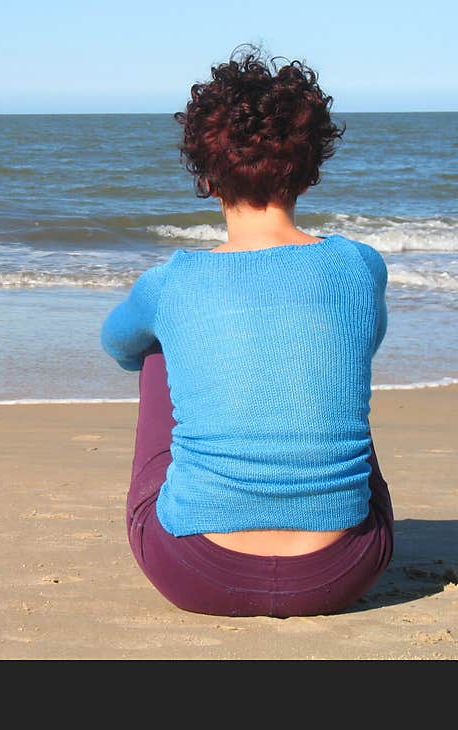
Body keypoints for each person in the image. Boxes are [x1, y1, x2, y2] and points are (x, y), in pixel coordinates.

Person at [100, 44, 394, 618]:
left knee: (159, 348)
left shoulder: (173, 281)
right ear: (309, 172)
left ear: (207, 178)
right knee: (333, 363)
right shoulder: (360, 265)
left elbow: (117, 345)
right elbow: (368, 343)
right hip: (345, 569)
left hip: (195, 571)